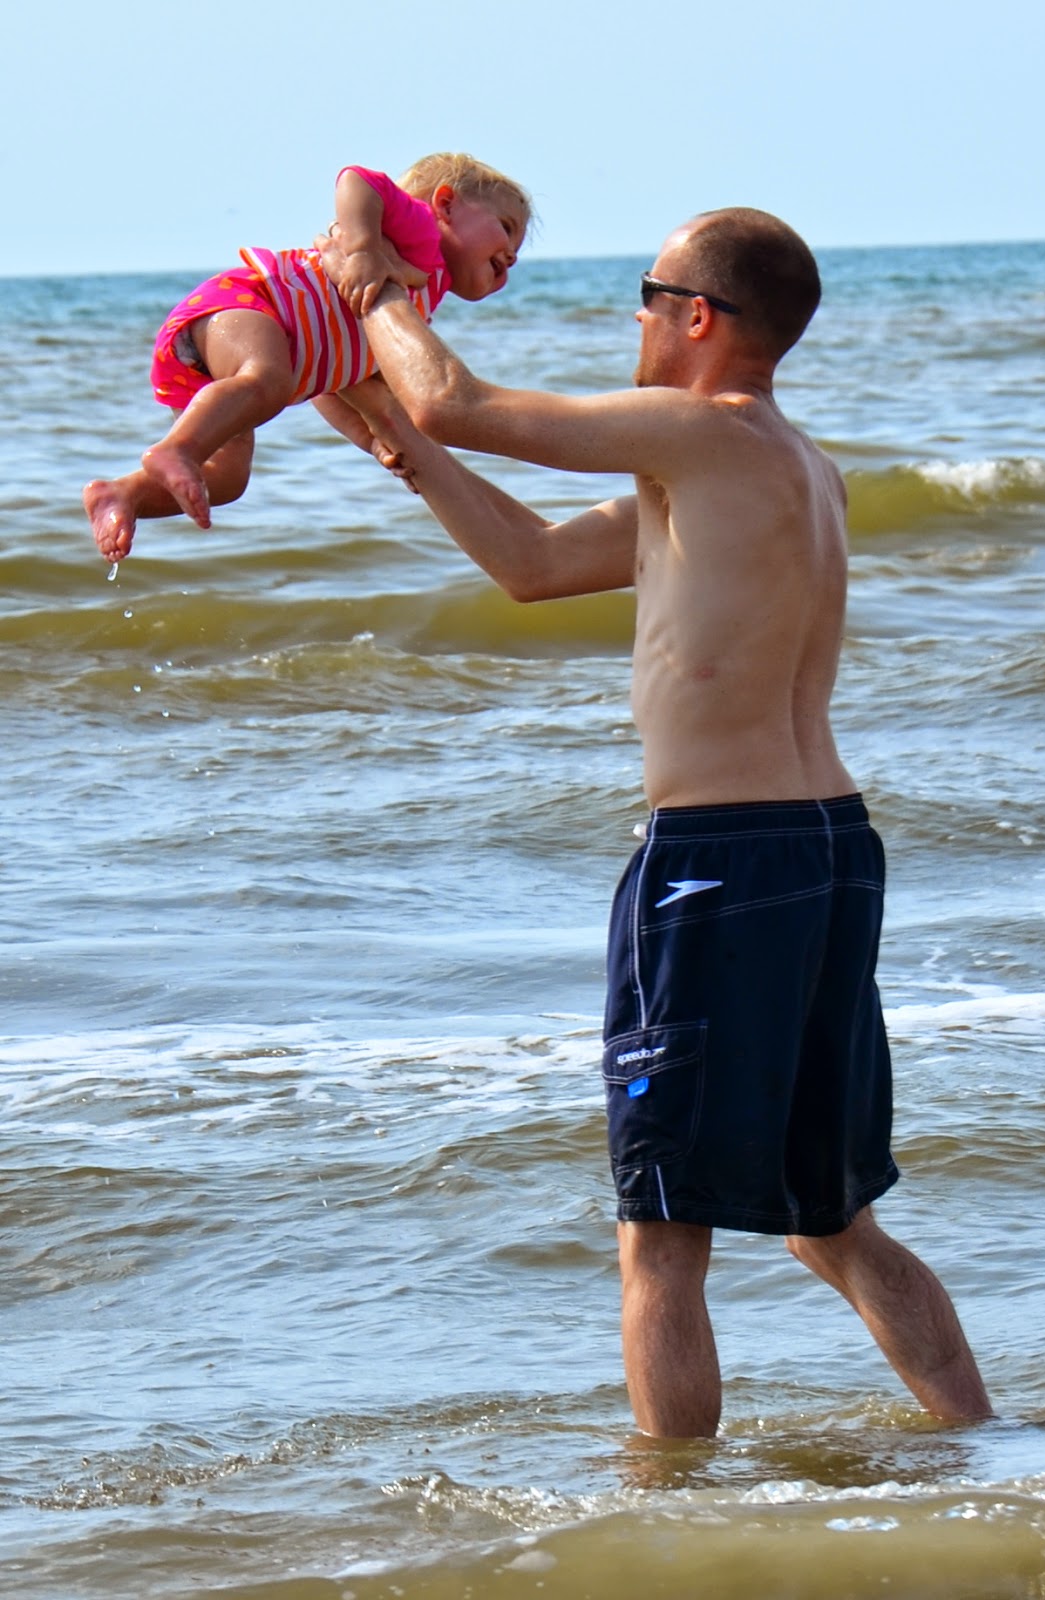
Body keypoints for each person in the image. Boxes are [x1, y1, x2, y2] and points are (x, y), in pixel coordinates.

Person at [317, 206, 994, 1438]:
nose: (628, 315)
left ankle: (664, 1511)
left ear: (696, 317)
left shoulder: (699, 433)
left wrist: (368, 282)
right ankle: (983, 1443)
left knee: (659, 1233)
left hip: (719, 860)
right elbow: (529, 562)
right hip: (826, 850)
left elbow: (456, 400)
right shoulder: (788, 470)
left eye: (645, 291)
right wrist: (388, 435)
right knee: (830, 1222)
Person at [84, 154, 530, 564]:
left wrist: (372, 441)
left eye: (518, 251)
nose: (512, 254)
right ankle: (177, 449)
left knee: (226, 480)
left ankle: (123, 494)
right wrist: (363, 248)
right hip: (246, 304)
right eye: (507, 227)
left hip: (222, 367)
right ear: (446, 204)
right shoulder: (418, 233)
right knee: (267, 380)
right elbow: (358, 180)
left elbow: (332, 384)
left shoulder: (412, 308)